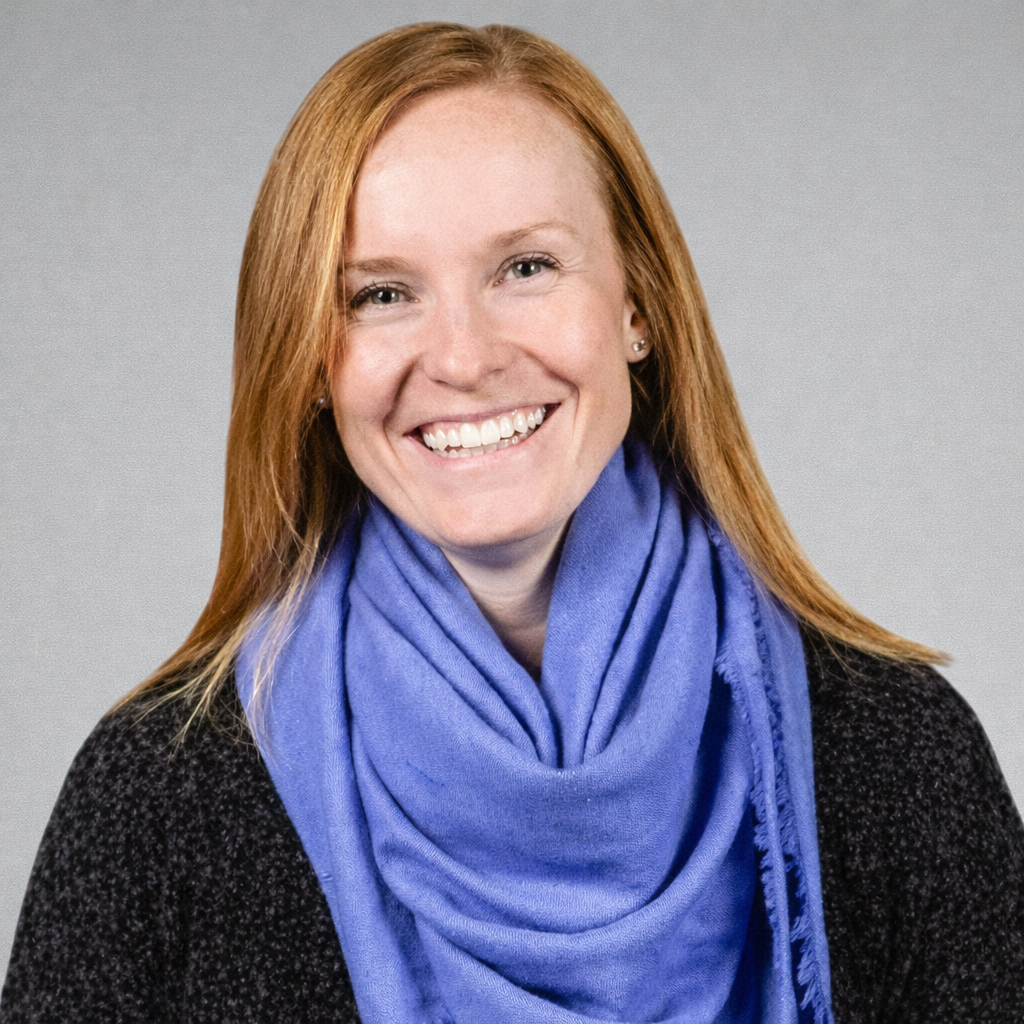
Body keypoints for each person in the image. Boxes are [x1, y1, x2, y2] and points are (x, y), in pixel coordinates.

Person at [2, 22, 1021, 1024]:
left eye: (525, 268)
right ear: (310, 359)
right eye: (380, 294)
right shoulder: (162, 792)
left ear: (638, 305)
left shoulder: (896, 754)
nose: (464, 357)